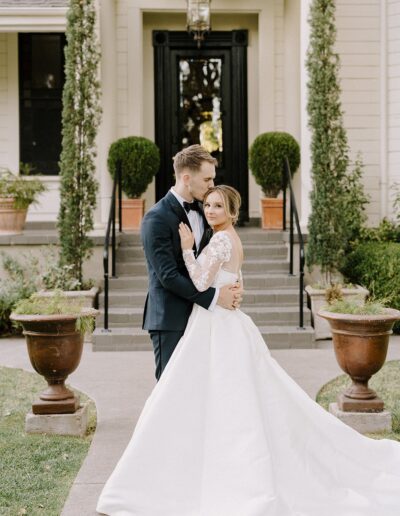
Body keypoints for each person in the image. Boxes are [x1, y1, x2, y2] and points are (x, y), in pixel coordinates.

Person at [97, 185, 400, 516]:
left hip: (214, 325)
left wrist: (186, 249)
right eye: (208, 204)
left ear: (232, 212)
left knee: (205, 394)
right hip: (227, 320)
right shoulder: (232, 239)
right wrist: (231, 287)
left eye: (218, 206)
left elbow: (199, 282)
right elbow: (236, 279)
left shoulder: (221, 239)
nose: (210, 211)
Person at [140, 145, 243, 380]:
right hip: (171, 318)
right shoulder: (156, 219)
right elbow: (168, 276)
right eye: (207, 179)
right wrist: (216, 298)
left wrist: (235, 286)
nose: (212, 186)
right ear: (186, 178)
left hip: (203, 320)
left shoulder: (206, 211)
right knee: (171, 388)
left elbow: (219, 258)